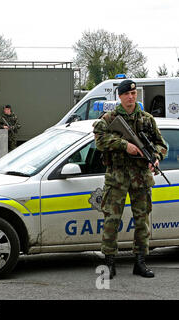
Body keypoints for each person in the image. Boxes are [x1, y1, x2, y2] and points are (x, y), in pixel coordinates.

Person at [93, 79, 168, 279]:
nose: (131, 97)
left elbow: (162, 144)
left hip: (141, 177)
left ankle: (140, 262)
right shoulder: (109, 119)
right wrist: (124, 145)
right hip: (117, 176)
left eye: (134, 94)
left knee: (142, 221)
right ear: (120, 96)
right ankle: (109, 262)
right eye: (127, 94)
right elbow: (100, 140)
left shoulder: (147, 119)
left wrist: (157, 158)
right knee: (111, 220)